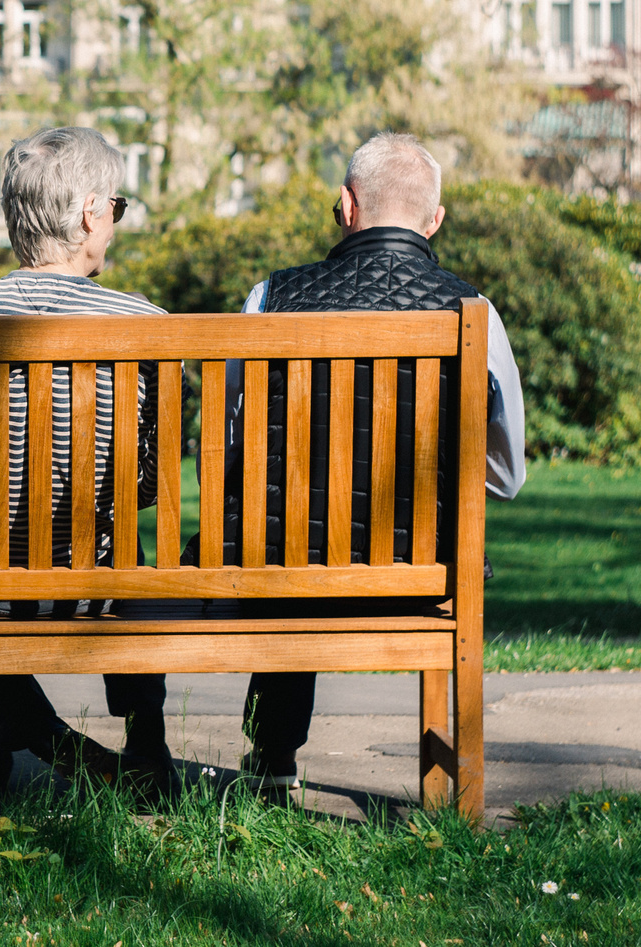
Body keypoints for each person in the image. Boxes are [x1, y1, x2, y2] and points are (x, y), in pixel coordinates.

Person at [218, 132, 529, 799]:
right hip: (417, 573)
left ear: (345, 205)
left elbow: (235, 443)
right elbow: (506, 475)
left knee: (289, 533)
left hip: (283, 565)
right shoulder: (472, 310)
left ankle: (272, 755)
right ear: (434, 220)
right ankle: (447, 783)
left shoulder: (271, 295)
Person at [0, 126, 170, 794]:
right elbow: (152, 481)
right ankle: (147, 742)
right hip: (96, 582)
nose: (114, 225)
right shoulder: (144, 322)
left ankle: (51, 739)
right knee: (131, 553)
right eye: (116, 209)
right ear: (92, 211)